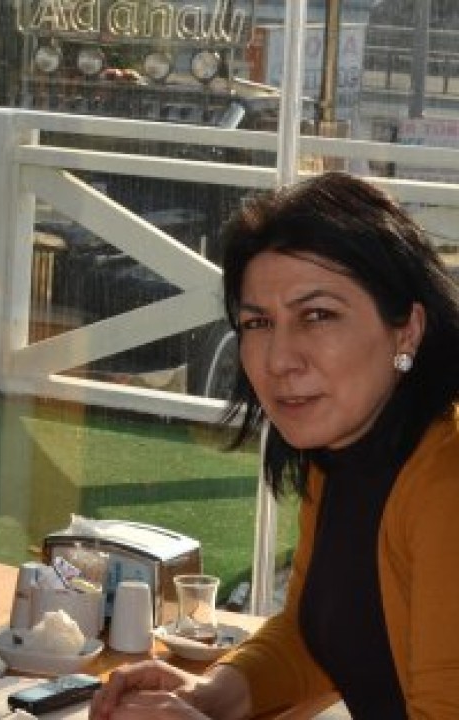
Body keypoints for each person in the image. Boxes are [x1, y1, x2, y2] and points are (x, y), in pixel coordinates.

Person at [90, 172, 459, 719]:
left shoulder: (446, 482)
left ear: (406, 330)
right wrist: (210, 694)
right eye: (258, 322)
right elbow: (315, 638)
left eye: (318, 315)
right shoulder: (342, 454)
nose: (279, 358)